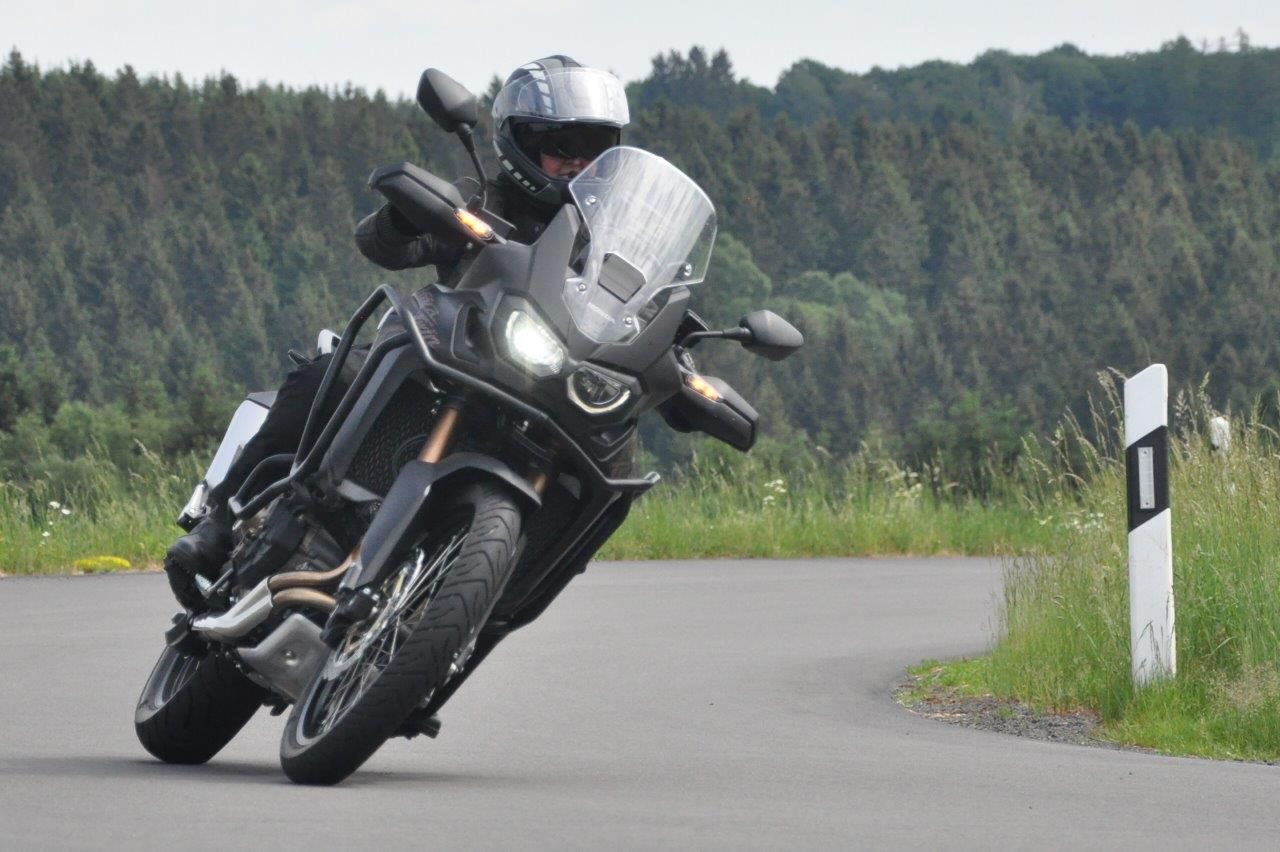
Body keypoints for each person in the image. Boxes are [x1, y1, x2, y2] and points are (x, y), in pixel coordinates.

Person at [164, 55, 630, 610]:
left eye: (594, 147)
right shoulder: (483, 200)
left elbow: (643, 300)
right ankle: (218, 523)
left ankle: (491, 602)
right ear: (520, 143)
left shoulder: (608, 244)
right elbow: (381, 243)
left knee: (600, 475)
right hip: (444, 358)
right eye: (561, 145)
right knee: (333, 375)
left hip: (538, 393)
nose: (577, 162)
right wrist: (407, 217)